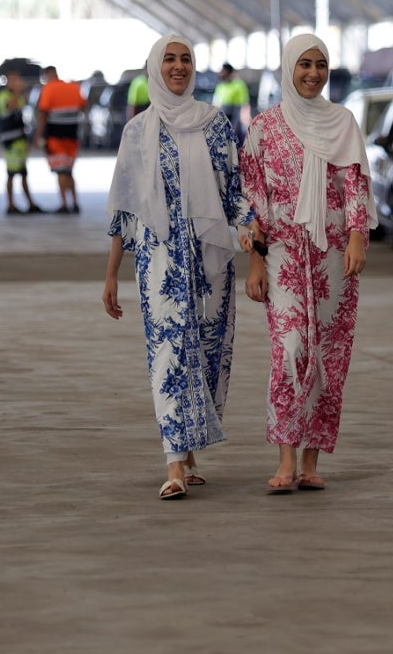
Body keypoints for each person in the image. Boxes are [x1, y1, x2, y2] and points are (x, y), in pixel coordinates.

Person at [102, 33, 256, 501]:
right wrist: (110, 273)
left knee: (209, 351)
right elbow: (124, 209)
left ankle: (190, 449)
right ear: (154, 66)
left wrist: (248, 230)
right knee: (168, 354)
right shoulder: (138, 132)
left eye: (185, 59)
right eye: (168, 59)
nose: (178, 66)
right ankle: (173, 461)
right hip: (159, 260)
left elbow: (235, 190)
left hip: (211, 260)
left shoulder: (215, 124)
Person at [241, 34, 377, 493]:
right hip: (281, 252)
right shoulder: (265, 127)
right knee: (292, 348)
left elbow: (356, 183)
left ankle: (311, 460)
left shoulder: (343, 123)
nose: (313, 73)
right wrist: (255, 262)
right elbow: (254, 200)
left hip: (334, 254)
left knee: (328, 354)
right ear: (288, 68)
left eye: (320, 65)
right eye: (304, 64)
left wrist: (358, 235)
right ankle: (285, 457)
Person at [33, 65, 87, 213]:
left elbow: (43, 114)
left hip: (55, 137)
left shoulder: (48, 89)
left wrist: (38, 136)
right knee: (69, 171)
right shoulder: (73, 87)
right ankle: (75, 203)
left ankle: (64, 204)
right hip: (72, 136)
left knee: (61, 171)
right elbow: (84, 106)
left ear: (46, 76)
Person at [0, 65, 43, 215]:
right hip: (10, 141)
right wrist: (16, 91)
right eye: (13, 80)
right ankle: (10, 205)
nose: (17, 82)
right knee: (11, 173)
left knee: (23, 173)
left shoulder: (20, 96)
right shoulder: (3, 95)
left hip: (20, 139)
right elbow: (10, 107)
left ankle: (31, 203)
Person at [213, 62, 251, 145]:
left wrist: (239, 122)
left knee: (235, 140)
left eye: (223, 71)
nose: (220, 73)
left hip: (234, 116)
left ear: (228, 72)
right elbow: (216, 105)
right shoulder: (220, 86)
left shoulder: (239, 85)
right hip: (223, 116)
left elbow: (244, 105)